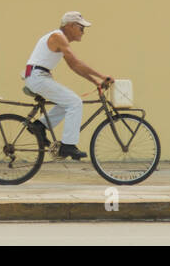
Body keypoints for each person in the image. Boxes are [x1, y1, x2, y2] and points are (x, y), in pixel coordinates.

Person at [22, 11, 111, 161]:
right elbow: (76, 63)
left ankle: (39, 126)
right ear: (70, 26)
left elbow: (74, 66)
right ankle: (68, 146)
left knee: (68, 102)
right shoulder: (58, 37)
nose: (83, 32)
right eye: (81, 28)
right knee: (74, 102)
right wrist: (102, 76)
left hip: (38, 75)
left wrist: (96, 81)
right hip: (37, 76)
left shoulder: (60, 39)